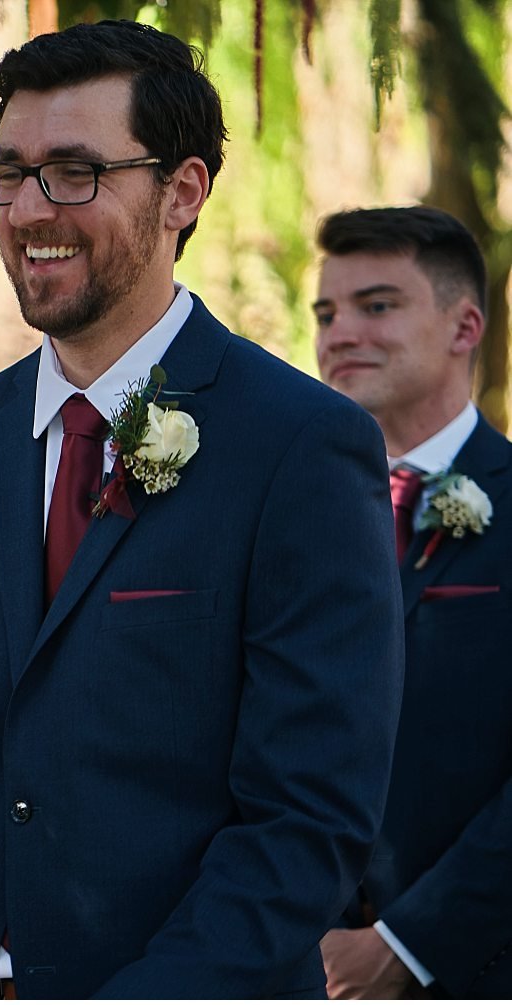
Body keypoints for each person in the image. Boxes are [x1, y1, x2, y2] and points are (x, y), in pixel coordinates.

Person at [0, 20, 405, 999]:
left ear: (183, 191)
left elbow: (306, 824)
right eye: (11, 172)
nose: (31, 209)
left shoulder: (301, 447)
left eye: (75, 171)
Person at [313, 205, 512, 998]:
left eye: (378, 305)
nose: (340, 332)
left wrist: (404, 943)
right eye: (327, 312)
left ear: (464, 327)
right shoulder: (296, 517)